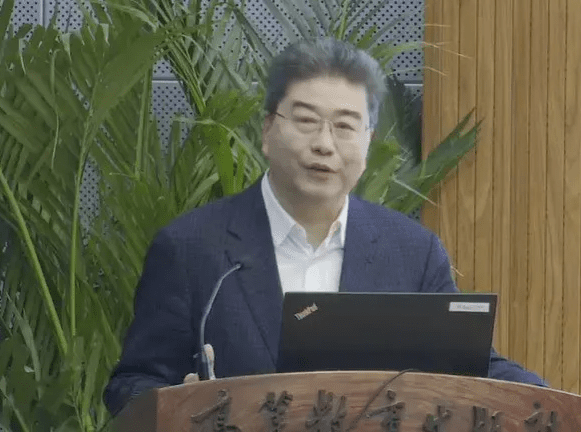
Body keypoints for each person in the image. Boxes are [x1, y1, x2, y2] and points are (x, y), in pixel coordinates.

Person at [103, 37, 545, 417]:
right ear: (268, 130)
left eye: (345, 126)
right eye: (306, 121)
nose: (324, 144)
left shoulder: (412, 253)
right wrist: (178, 404)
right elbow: (131, 384)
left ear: (368, 144)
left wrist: (548, 402)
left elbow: (468, 369)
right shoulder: (191, 249)